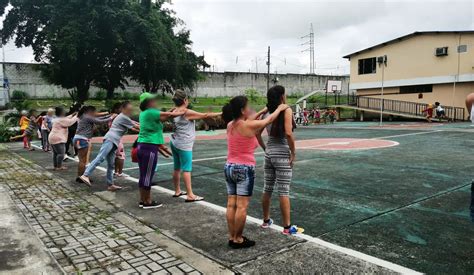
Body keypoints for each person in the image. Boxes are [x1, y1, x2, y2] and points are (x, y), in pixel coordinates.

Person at [223, 95, 288, 249]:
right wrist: (279, 108)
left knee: (231, 204)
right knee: (242, 206)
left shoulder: (230, 125)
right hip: (244, 168)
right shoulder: (248, 126)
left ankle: (232, 236)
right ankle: (238, 239)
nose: (249, 108)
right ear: (242, 110)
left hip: (229, 167)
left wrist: (264, 109)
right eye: (247, 106)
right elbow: (268, 120)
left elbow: (252, 119)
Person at [258, 86, 304, 235]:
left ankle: (266, 221)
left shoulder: (267, 113)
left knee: (267, 188)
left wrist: (266, 148)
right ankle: (287, 227)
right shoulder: (286, 110)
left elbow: (257, 132)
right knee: (284, 190)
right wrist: (293, 152)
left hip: (269, 153)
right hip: (282, 152)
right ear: (282, 96)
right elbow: (289, 133)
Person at [170, 90, 222, 202]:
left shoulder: (174, 110)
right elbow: (205, 115)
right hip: (184, 144)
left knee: (177, 167)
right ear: (185, 100)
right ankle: (190, 195)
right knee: (187, 169)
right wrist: (221, 113)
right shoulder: (185, 112)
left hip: (174, 141)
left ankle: (177, 190)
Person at [136, 92, 185, 209]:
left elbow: (165, 115)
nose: (155, 102)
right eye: (153, 100)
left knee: (143, 175)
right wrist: (183, 109)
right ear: (148, 103)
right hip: (149, 147)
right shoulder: (152, 112)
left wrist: (174, 109)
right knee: (148, 175)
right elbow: (169, 115)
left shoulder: (144, 113)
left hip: (142, 146)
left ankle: (143, 200)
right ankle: (147, 201)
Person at [79, 101, 139, 191]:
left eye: (131, 109)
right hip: (110, 139)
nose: (130, 111)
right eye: (129, 109)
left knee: (111, 165)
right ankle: (85, 175)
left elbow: (135, 125)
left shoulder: (124, 117)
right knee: (101, 157)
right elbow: (136, 126)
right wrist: (149, 128)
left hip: (114, 141)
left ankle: (110, 184)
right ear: (123, 109)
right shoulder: (122, 117)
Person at [73, 106, 115, 181]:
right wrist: (111, 117)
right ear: (90, 111)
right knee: (83, 160)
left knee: (82, 159)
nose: (95, 113)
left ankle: (80, 176)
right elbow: (99, 121)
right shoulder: (87, 117)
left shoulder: (84, 116)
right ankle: (81, 177)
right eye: (94, 112)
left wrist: (109, 115)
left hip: (79, 138)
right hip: (82, 139)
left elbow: (98, 118)